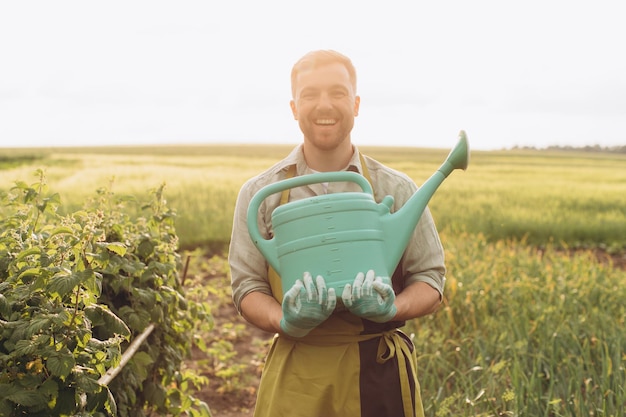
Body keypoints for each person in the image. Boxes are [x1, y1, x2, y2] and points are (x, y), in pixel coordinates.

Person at [228, 49, 446, 417]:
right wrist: (286, 321)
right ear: (294, 107)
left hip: (379, 373)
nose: (324, 105)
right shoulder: (259, 195)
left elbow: (431, 279)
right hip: (297, 375)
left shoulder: (395, 188)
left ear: (356, 103)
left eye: (338, 92)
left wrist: (391, 308)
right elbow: (247, 288)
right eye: (310, 94)